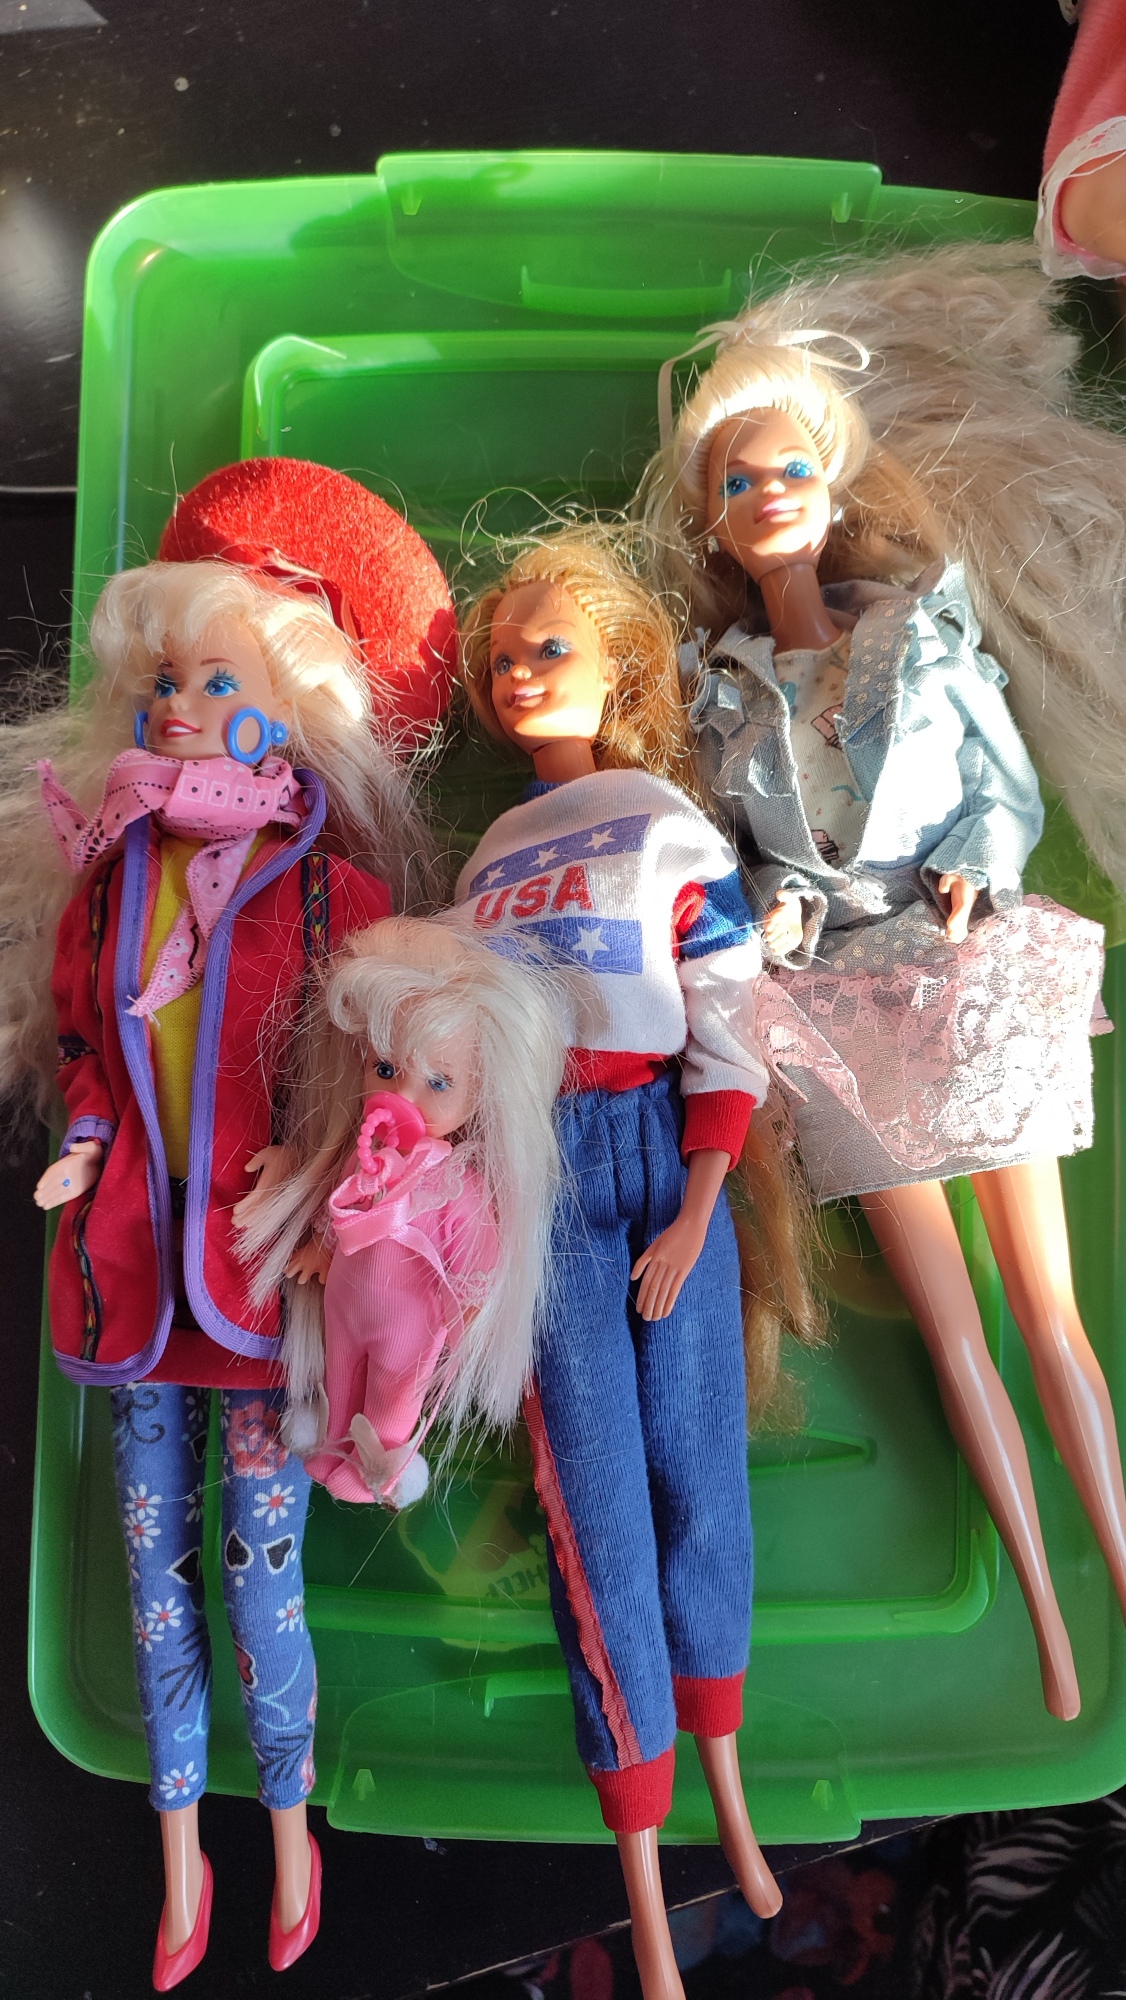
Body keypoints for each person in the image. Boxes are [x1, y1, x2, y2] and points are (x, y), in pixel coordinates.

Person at [2, 457, 454, 1987]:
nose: (179, 706)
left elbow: (363, 1077)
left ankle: (292, 1820)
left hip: (261, 1284)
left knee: (265, 1570)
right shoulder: (109, 888)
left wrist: (316, 1173)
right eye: (161, 683)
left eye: (214, 681)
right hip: (131, 1269)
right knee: (154, 1573)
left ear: (291, 712)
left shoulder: (337, 896)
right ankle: (183, 1840)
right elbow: (90, 1047)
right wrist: (81, 1147)